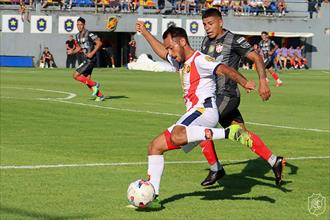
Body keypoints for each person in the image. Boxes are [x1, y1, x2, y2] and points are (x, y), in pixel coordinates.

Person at [136, 22, 257, 209]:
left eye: (171, 47)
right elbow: (161, 52)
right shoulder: (180, 61)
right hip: (194, 113)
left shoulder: (199, 59)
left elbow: (223, 68)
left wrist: (244, 82)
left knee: (177, 134)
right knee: (154, 147)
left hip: (205, 110)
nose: (170, 52)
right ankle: (154, 197)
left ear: (182, 41)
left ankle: (229, 133)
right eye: (168, 48)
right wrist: (145, 33)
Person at [199, 8, 285, 187]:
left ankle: (216, 169)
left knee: (200, 126)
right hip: (212, 96)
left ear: (220, 22)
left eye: (211, 23)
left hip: (227, 95)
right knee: (241, 134)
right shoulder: (206, 42)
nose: (207, 28)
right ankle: (274, 161)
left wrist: (263, 81)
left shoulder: (233, 39)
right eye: (205, 24)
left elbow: (257, 57)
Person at [71, 17, 105, 101]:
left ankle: (95, 84)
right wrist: (72, 52)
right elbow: (79, 48)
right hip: (85, 59)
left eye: (81, 24)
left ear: (84, 25)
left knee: (75, 75)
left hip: (90, 59)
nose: (79, 26)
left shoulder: (89, 34)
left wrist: (92, 53)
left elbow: (99, 43)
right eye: (78, 24)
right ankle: (100, 96)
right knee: (87, 80)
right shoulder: (77, 36)